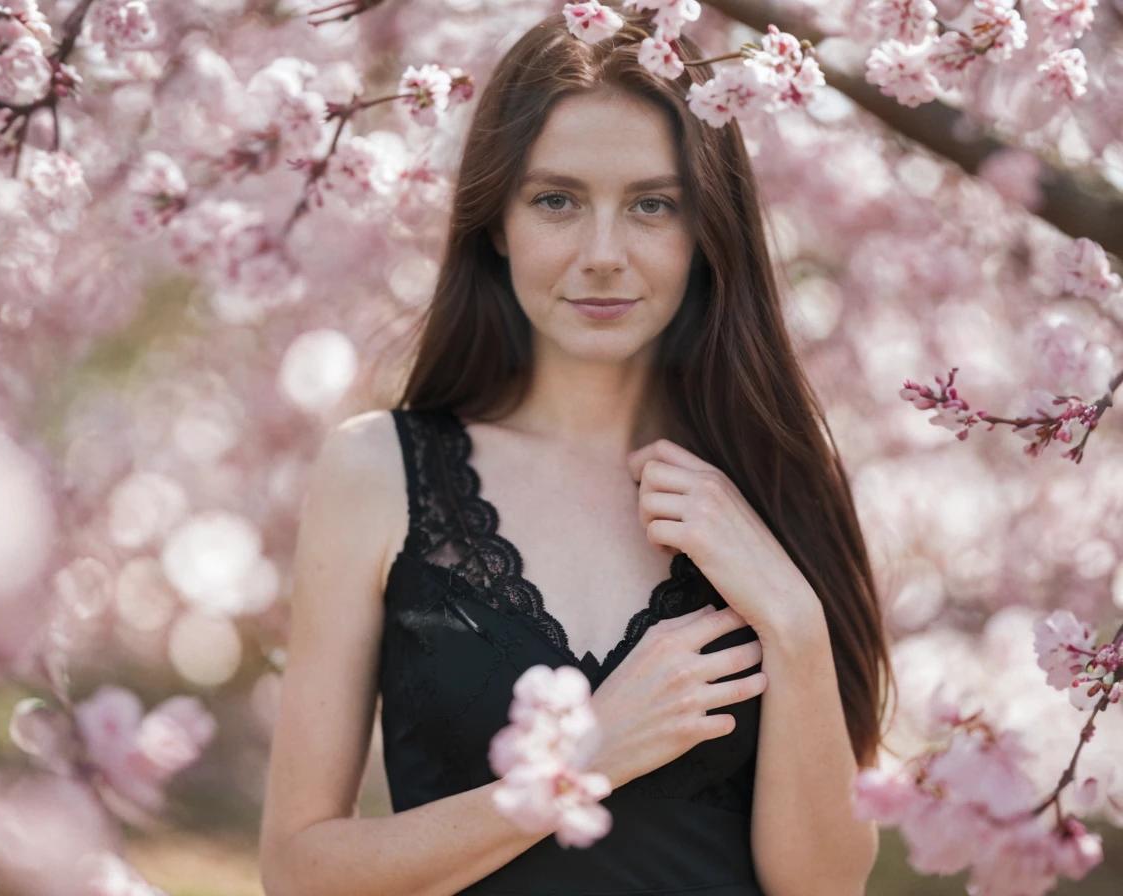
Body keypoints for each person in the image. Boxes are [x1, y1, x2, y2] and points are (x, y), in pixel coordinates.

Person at [259, 6, 895, 895]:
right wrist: (578, 762)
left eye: (652, 206)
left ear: (709, 231)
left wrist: (791, 621)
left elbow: (823, 887)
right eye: (556, 200)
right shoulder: (378, 475)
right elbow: (299, 871)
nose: (603, 254)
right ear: (497, 223)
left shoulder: (777, 481)